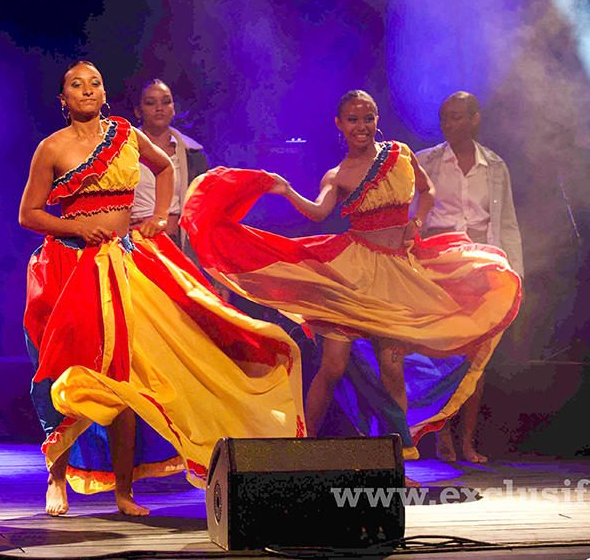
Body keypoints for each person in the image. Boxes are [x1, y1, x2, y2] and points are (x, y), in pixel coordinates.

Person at [19, 61, 304, 517]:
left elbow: (166, 165)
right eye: (77, 85)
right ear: (63, 98)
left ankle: (124, 491)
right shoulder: (52, 148)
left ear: (105, 92)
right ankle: (56, 478)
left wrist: (161, 218)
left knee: (128, 374)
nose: (87, 90)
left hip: (126, 262)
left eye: (95, 82)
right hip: (70, 267)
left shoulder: (125, 135)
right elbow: (29, 214)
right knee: (65, 370)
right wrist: (76, 224)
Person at [182, 90, 521, 464]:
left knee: (393, 368)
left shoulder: (400, 154)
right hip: (353, 276)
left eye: (369, 118)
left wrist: (416, 223)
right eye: (353, 120)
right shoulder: (339, 174)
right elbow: (317, 212)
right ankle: (303, 450)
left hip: (396, 276)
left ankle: (399, 458)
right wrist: (286, 190)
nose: (362, 126)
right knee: (333, 367)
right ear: (340, 126)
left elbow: (427, 191)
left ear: (377, 119)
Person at [417, 91, 524, 463]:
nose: (449, 125)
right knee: (441, 353)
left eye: (457, 117)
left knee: (477, 356)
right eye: (445, 118)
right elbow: (409, 216)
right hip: (437, 266)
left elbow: (506, 223)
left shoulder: (494, 167)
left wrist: (515, 277)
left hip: (481, 268)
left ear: (475, 119)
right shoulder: (424, 162)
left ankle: (467, 442)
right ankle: (442, 435)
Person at [129, 79, 211, 253]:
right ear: (138, 111)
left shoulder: (194, 153)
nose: (159, 108)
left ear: (173, 108)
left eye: (166, 102)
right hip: (137, 246)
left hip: (179, 246)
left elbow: (208, 204)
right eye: (151, 103)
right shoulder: (122, 151)